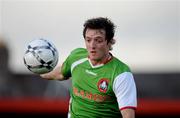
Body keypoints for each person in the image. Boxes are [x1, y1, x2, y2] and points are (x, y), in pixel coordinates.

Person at [40, 17, 137, 118]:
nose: (92, 45)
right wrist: (40, 70)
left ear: (109, 42)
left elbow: (128, 115)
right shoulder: (76, 58)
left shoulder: (121, 74)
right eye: (88, 40)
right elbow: (60, 73)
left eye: (98, 40)